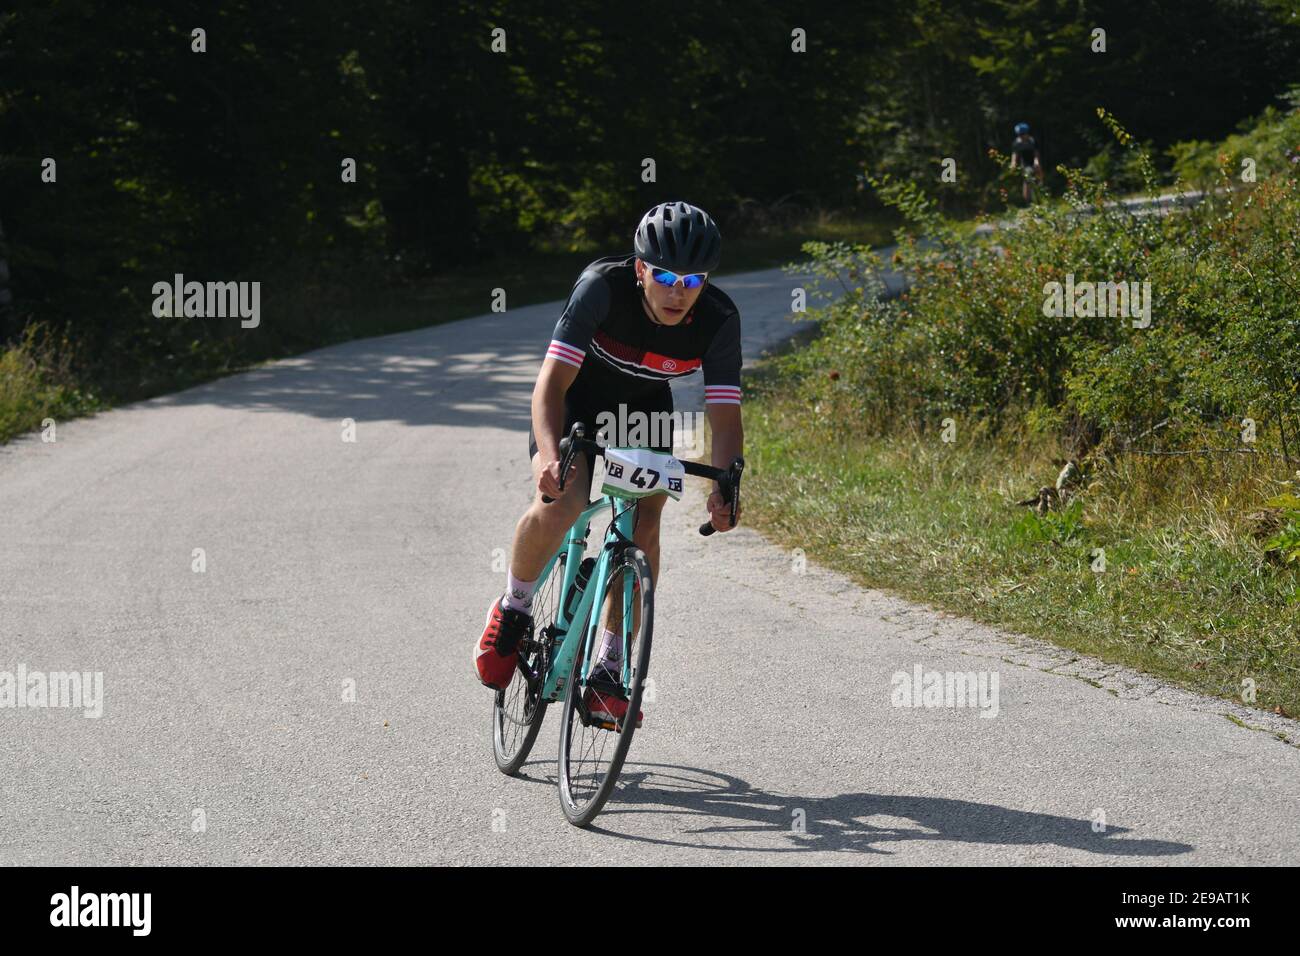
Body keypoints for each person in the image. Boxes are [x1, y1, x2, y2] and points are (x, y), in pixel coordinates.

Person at [473, 201, 745, 725]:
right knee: (564, 500)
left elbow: (725, 417)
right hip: (576, 397)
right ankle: (513, 610)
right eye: (664, 275)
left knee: (645, 522)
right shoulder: (602, 286)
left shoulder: (718, 319)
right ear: (640, 268)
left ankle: (609, 667)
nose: (678, 290)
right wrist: (547, 460)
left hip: (642, 410)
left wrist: (726, 487)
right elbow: (550, 386)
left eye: (693, 279)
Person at [1009, 122, 1043, 202]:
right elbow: (1014, 154)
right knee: (1026, 180)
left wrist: (1036, 161)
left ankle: (1041, 186)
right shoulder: (1017, 143)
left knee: (1038, 169)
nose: (1021, 136)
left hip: (1034, 161)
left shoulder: (1032, 141)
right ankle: (1027, 201)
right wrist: (1013, 163)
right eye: (1020, 134)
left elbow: (1036, 153)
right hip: (1025, 163)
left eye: (1023, 134)